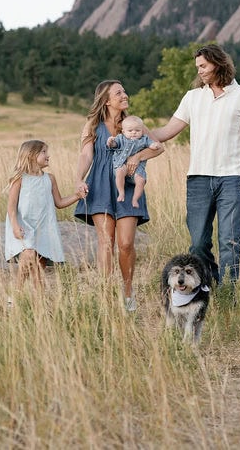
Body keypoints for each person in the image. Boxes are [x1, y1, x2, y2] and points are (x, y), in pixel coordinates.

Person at [150, 44, 240, 289]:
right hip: (198, 179)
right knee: (198, 243)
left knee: (230, 241)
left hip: (232, 178)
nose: (199, 71)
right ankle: (211, 281)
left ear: (218, 64)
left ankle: (228, 294)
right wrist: (136, 133)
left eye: (203, 66)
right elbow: (167, 131)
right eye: (197, 67)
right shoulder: (192, 97)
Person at [75, 81, 164, 311]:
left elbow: (159, 147)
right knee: (106, 243)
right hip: (100, 185)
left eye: (124, 90)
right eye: (119, 93)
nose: (125, 95)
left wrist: (138, 157)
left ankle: (127, 294)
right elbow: (86, 155)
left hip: (129, 185)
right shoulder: (93, 125)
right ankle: (105, 297)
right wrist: (78, 178)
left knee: (125, 243)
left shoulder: (134, 123)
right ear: (107, 101)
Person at [4, 140, 87, 290]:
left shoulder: (49, 179)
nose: (48, 155)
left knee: (39, 267)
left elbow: (59, 202)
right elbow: (11, 206)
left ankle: (38, 303)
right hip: (23, 225)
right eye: (44, 152)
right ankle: (17, 291)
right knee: (28, 254)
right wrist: (15, 225)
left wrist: (77, 196)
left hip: (44, 227)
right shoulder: (19, 179)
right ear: (31, 155)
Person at [106, 115, 161, 207]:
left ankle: (135, 199)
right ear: (123, 131)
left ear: (142, 131)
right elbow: (115, 145)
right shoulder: (120, 138)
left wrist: (154, 146)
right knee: (119, 172)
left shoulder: (144, 139)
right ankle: (121, 192)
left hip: (137, 169)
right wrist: (111, 142)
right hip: (122, 164)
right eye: (130, 131)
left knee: (141, 180)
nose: (134, 133)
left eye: (137, 130)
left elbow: (151, 144)